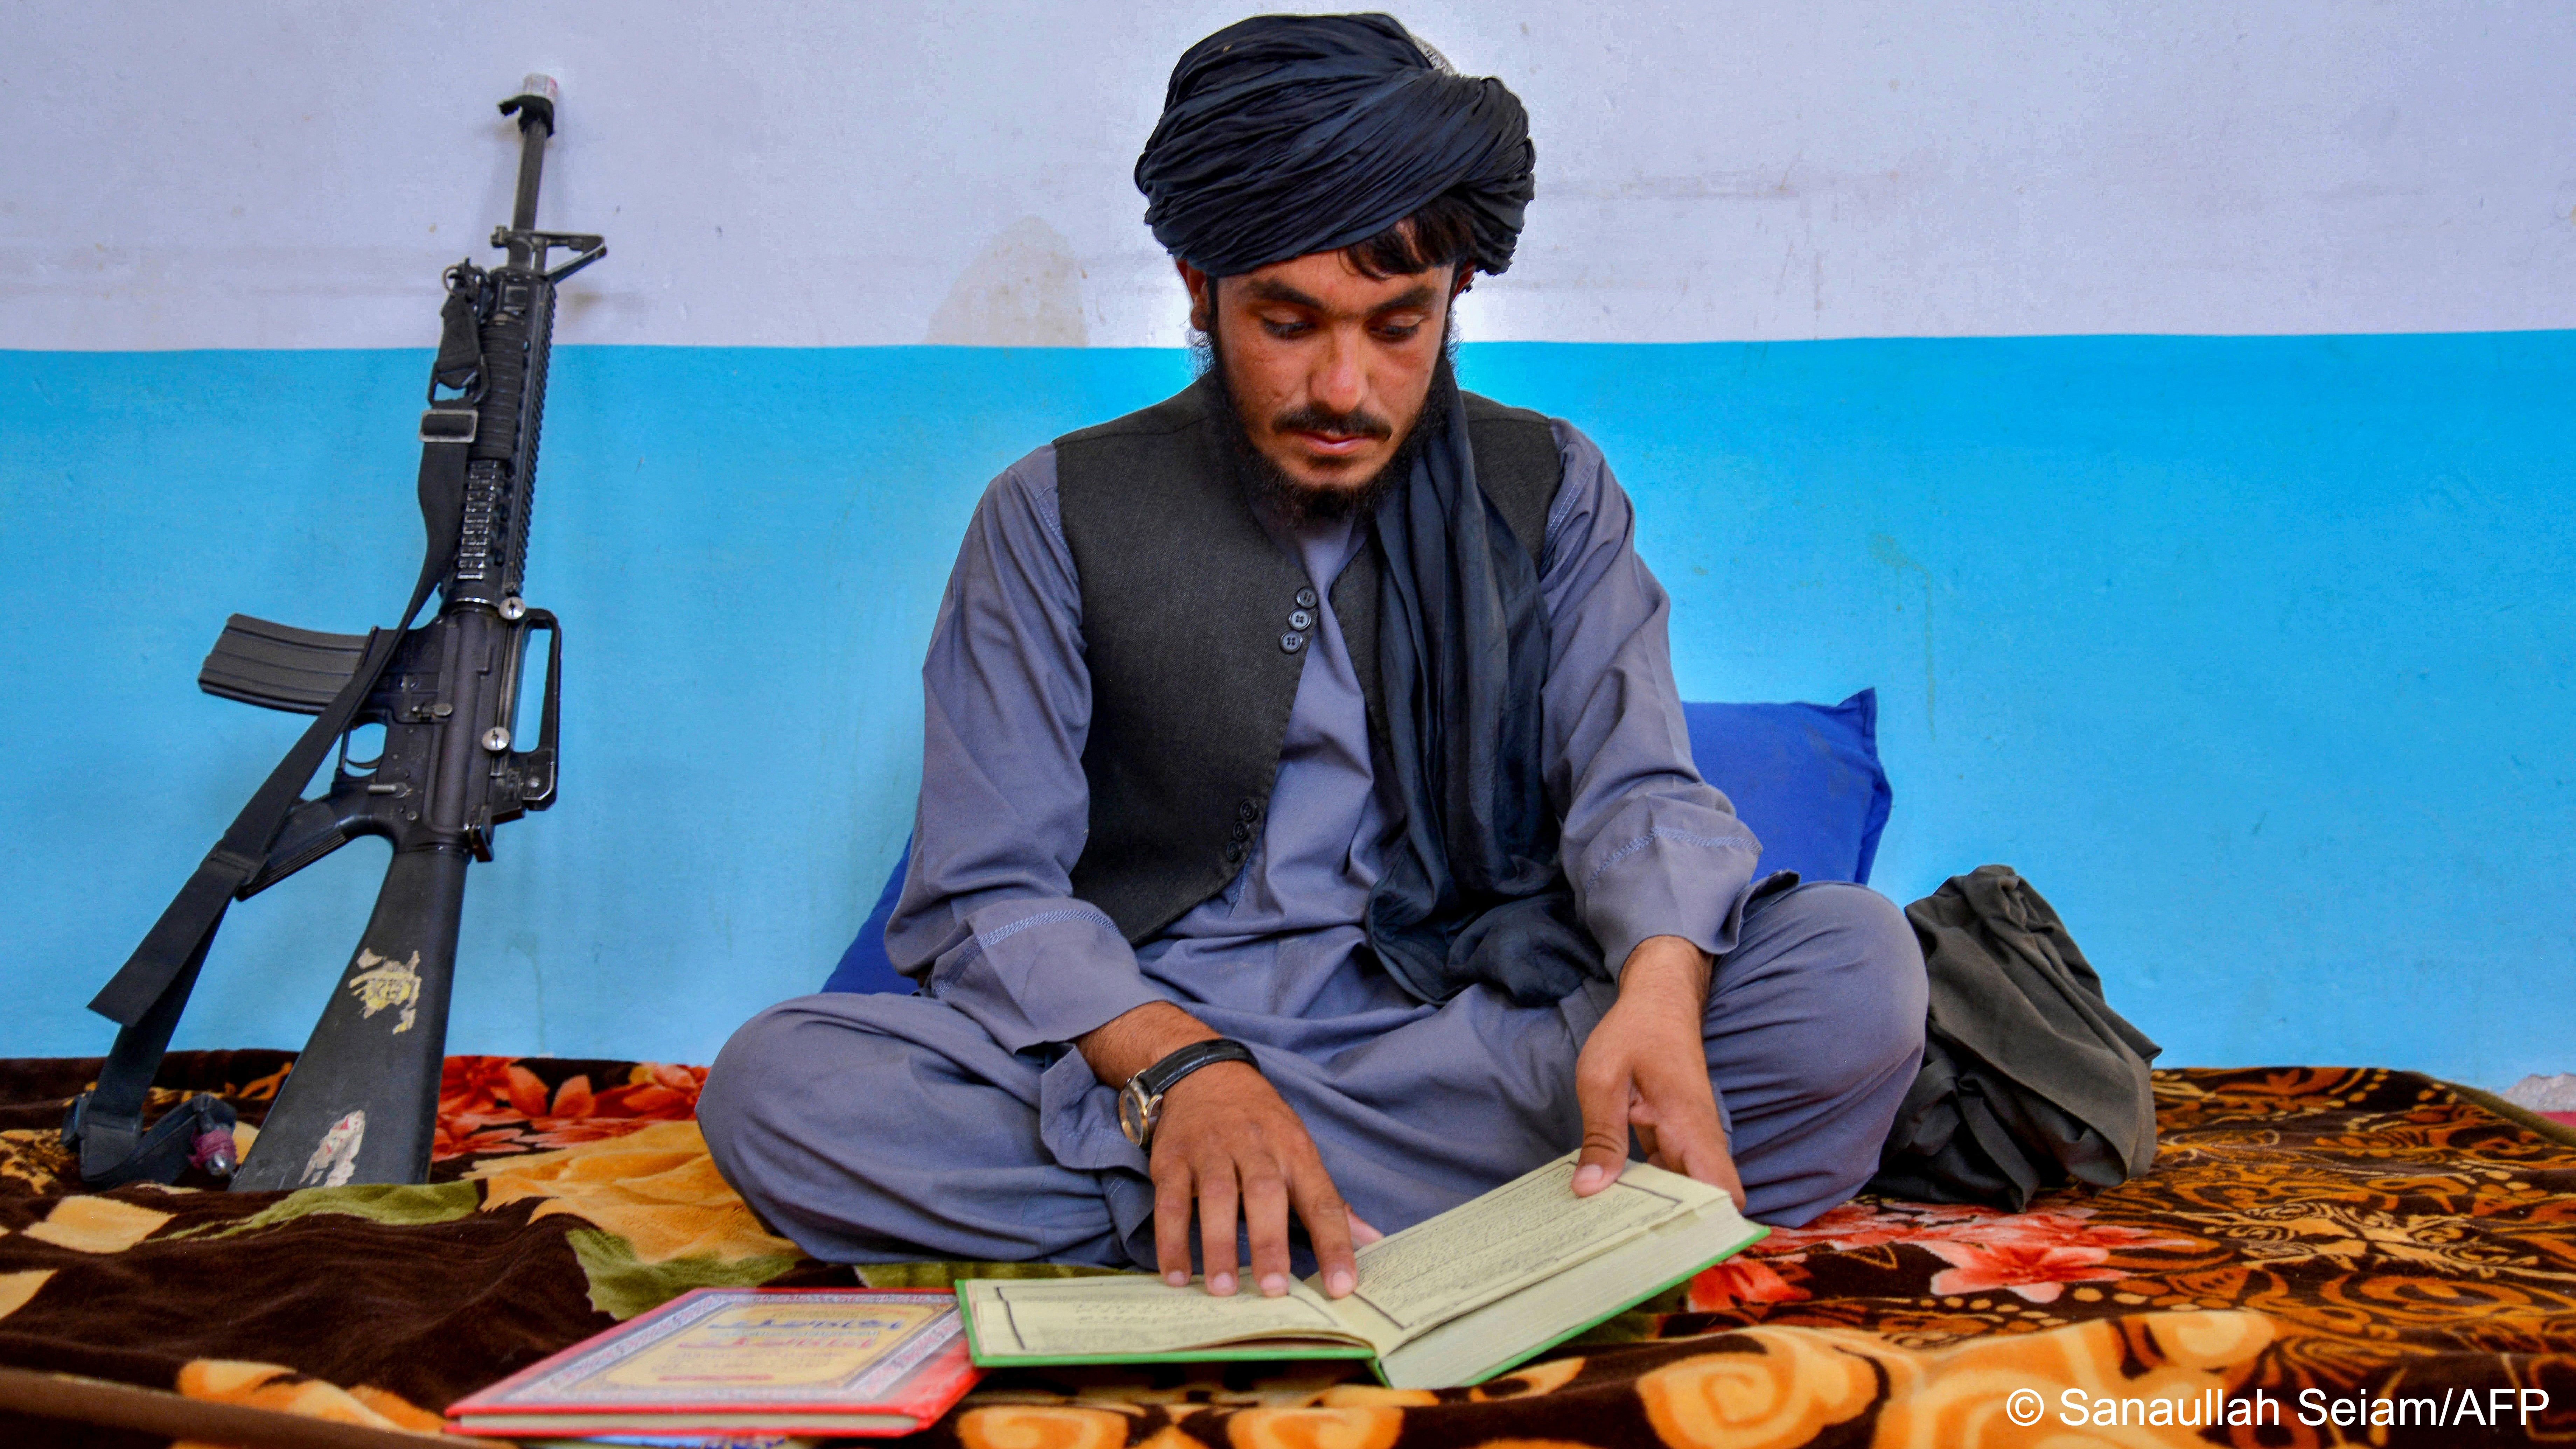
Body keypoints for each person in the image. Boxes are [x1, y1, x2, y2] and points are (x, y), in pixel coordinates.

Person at [700, 12, 1925, 1307]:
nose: (1345, 387)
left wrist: (1663, 994)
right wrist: (1182, 1072)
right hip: (1150, 1057)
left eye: (1398, 328)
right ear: (1195, 288)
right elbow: (988, 890)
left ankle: (1251, 1221)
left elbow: (1641, 792)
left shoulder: (1552, 488)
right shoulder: (1048, 513)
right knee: (779, 1091)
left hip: (1482, 1031)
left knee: (1857, 971)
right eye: (1289, 322)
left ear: (1456, 299)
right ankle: (1472, 1212)